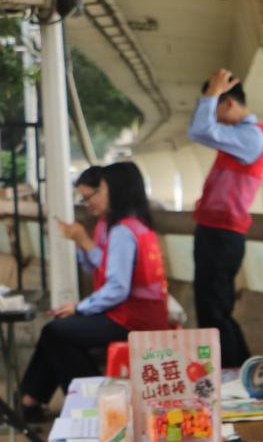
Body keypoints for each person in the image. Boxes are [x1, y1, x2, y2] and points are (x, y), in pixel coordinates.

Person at [20, 163, 168, 418]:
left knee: (56, 332)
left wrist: (80, 308)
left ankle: (93, 404)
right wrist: (81, 243)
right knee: (56, 330)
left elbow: (117, 288)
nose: (89, 202)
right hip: (129, 313)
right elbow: (104, 269)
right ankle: (30, 402)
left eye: (98, 191)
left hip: (133, 319)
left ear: (116, 189)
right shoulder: (126, 226)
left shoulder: (123, 231)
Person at [186, 68, 263, 368]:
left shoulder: (251, 136)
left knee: (215, 312)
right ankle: (240, 369)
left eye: (215, 108)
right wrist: (212, 97)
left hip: (223, 235)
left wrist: (212, 93)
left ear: (229, 103)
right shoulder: (238, 137)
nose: (214, 118)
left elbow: (199, 130)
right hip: (215, 231)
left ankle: (235, 371)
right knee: (212, 309)